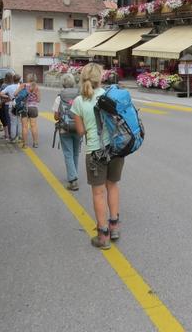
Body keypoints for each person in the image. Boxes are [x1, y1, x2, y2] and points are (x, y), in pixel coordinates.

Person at [71, 63, 125, 250]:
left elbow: (80, 132)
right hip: (117, 149)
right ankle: (115, 226)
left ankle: (103, 236)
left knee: (98, 192)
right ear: (100, 77)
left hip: (95, 152)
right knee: (113, 186)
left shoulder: (79, 101)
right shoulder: (111, 95)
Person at [52, 73, 82, 191]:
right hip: (78, 127)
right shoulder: (79, 96)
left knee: (68, 153)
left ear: (63, 84)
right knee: (75, 153)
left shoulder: (59, 97)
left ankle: (73, 179)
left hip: (64, 128)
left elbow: (55, 116)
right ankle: (74, 174)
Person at [14, 73, 41, 149]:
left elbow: (15, 94)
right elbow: (39, 100)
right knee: (34, 126)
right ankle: (35, 143)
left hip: (24, 107)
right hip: (33, 108)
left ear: (28, 78)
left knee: (24, 127)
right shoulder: (36, 87)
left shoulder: (23, 85)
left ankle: (25, 144)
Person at [1, 74, 21, 143]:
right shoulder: (21, 86)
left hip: (12, 105)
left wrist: (8, 97)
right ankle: (19, 137)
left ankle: (13, 138)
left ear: (13, 79)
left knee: (13, 122)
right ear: (19, 80)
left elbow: (1, 94)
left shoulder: (9, 87)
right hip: (20, 105)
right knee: (19, 122)